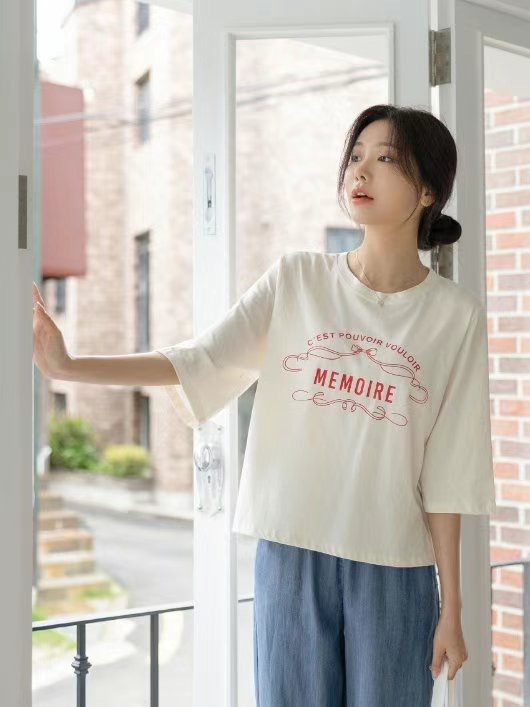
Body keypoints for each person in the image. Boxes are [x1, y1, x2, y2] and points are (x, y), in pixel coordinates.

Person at [33, 103, 496, 706]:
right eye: (355, 157)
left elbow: (450, 473)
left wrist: (451, 608)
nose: (360, 172)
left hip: (394, 566)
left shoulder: (455, 316)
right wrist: (69, 367)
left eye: (386, 159)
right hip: (291, 552)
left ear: (428, 189)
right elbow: (200, 359)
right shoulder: (297, 280)